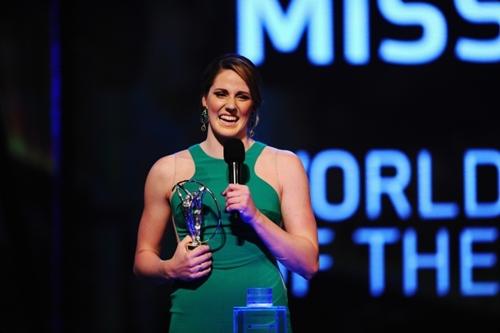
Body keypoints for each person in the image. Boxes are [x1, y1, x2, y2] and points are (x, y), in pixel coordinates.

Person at [133, 53, 318, 332]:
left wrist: (255, 216)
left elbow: (308, 263)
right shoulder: (167, 170)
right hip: (193, 316)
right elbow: (142, 258)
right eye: (221, 93)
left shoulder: (284, 164)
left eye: (242, 96)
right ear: (204, 100)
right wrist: (170, 268)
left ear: (253, 105)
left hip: (260, 316)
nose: (230, 105)